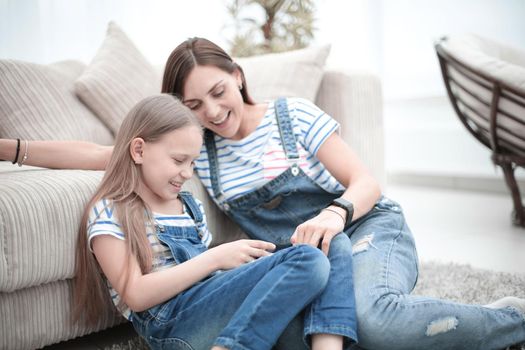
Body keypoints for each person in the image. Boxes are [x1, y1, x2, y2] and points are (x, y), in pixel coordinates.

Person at [1, 37, 524, 349]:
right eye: (194, 104)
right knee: (331, 324)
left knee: (373, 321)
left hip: (367, 228)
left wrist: (337, 215)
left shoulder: (291, 117)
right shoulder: (196, 153)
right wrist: (12, 148)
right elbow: (98, 153)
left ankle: (511, 319)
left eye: (218, 92)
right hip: (312, 254)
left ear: (238, 76)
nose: (212, 111)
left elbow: (366, 183)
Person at [65, 93, 358, 350]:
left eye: (192, 162)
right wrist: (216, 257)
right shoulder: (110, 211)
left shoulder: (189, 207)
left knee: (329, 247)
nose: (187, 172)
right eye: (179, 160)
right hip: (173, 327)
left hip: (214, 314)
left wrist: (246, 269)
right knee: (307, 259)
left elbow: (214, 290)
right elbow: (136, 295)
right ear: (139, 150)